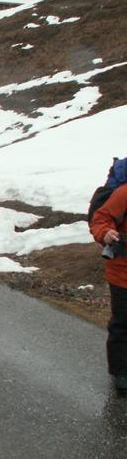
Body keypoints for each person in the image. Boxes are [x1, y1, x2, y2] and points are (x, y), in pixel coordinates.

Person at [90, 166, 127, 391]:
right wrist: (105, 233)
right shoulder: (124, 193)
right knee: (123, 323)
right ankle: (121, 372)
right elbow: (100, 219)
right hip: (123, 273)